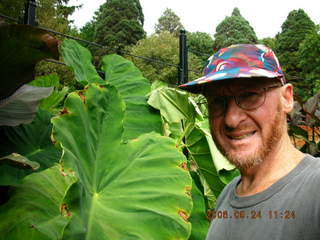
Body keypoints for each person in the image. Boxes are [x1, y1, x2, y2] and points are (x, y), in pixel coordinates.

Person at [179, 44, 320, 240]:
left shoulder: (315, 189)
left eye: (250, 96)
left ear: (287, 99)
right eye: (217, 101)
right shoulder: (227, 196)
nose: (231, 119)